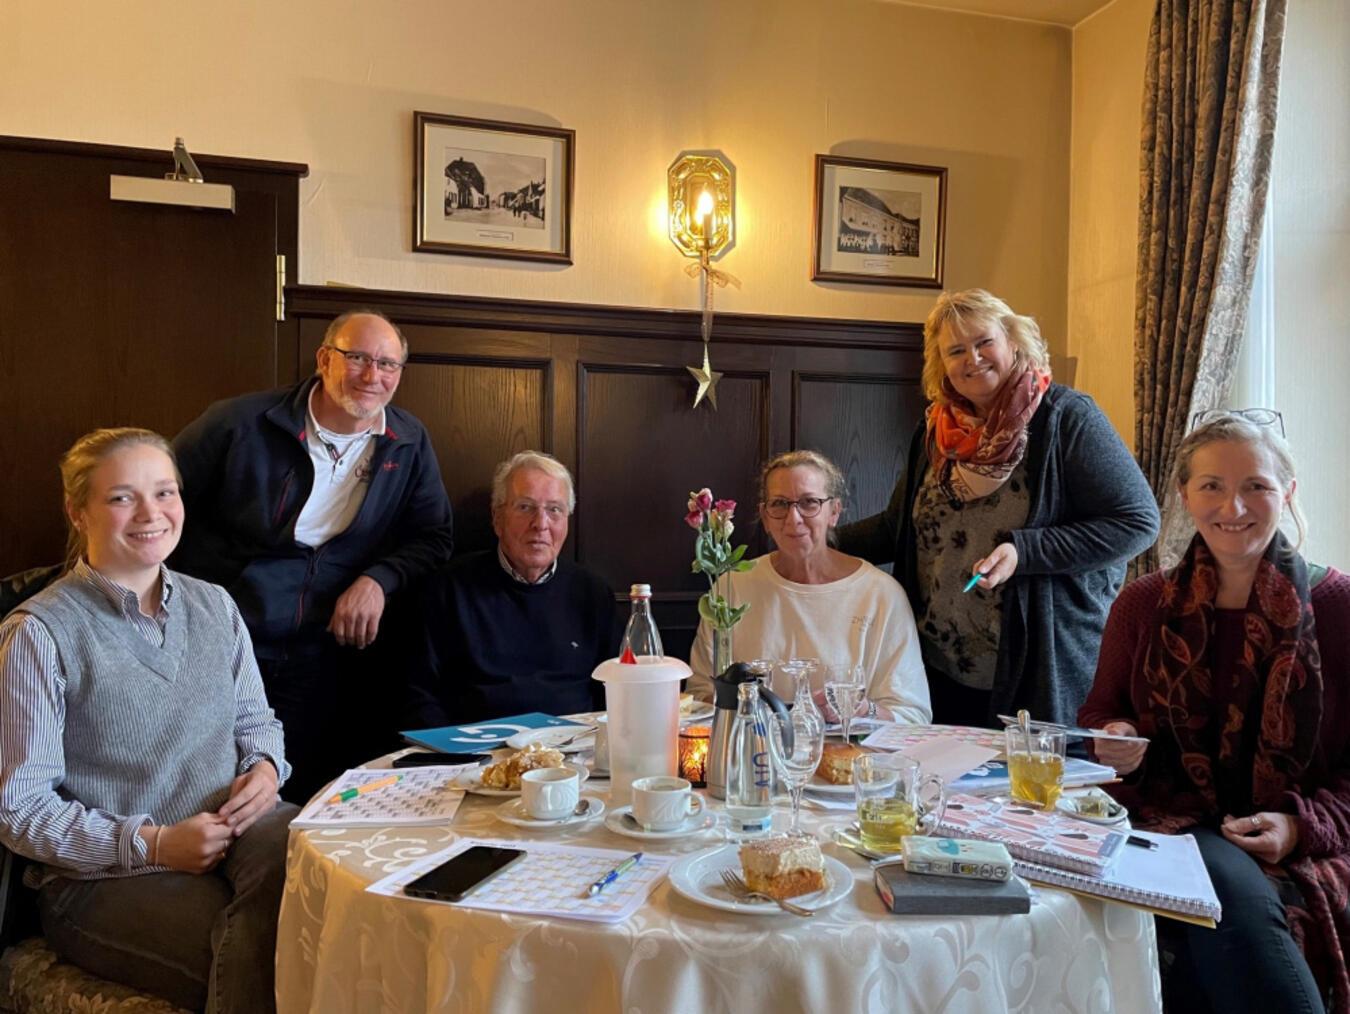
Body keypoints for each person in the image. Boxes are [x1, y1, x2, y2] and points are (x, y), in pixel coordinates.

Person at [0, 428, 295, 1013]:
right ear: (77, 511)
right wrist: (153, 844)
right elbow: (19, 809)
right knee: (272, 952)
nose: (151, 513)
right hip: (102, 879)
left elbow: (256, 720)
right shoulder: (37, 633)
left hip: (238, 832)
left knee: (325, 883)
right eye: (121, 497)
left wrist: (265, 768)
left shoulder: (216, 604)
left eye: (164, 492)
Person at [1079, 413, 1350, 1014]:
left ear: (1288, 492)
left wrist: (1298, 828)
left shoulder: (1340, 606)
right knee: (1215, 877)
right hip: (1166, 817)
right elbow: (1101, 714)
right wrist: (1116, 737)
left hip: (1295, 828)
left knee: (1217, 895)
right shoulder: (1141, 603)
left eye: (1256, 485)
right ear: (1184, 496)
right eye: (1211, 486)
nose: (1234, 506)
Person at [837, 288, 1159, 727]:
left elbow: (1137, 523)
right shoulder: (935, 432)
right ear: (941, 364)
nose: (972, 358)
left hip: (1036, 668)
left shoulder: (1066, 418)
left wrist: (1025, 551)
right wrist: (818, 538)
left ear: (1013, 341)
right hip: (938, 667)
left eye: (984, 342)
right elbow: (897, 530)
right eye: (955, 351)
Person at [172, 309, 454, 801]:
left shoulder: (408, 440)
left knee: (304, 788)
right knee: (212, 786)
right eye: (358, 358)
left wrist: (378, 580)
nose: (372, 375)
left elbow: (434, 537)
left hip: (325, 647)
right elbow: (159, 499)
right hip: (224, 638)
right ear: (325, 359)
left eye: (387, 364)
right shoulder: (240, 423)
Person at [689, 450, 931, 724]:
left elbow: (913, 716)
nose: (793, 518)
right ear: (765, 516)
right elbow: (700, 696)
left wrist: (865, 711)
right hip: (754, 746)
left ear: (834, 512)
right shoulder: (731, 587)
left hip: (851, 748)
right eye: (780, 504)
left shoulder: (881, 595)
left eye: (809, 503)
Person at [404, 451, 616, 726]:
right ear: (497, 518)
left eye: (554, 510)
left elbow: (618, 690)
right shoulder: (448, 590)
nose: (541, 524)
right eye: (525, 507)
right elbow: (419, 694)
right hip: (479, 746)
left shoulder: (593, 594)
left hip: (574, 744)